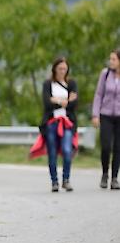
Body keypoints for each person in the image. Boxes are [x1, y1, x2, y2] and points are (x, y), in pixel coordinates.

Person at [40, 57, 78, 192]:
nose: (62, 71)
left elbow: (74, 104)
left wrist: (57, 100)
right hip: (51, 122)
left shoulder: (71, 83)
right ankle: (54, 181)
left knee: (67, 150)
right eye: (60, 68)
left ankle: (66, 179)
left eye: (64, 69)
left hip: (67, 122)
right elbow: (46, 103)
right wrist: (65, 101)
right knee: (52, 152)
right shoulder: (48, 84)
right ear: (55, 69)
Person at [91, 49, 120, 190]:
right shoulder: (105, 74)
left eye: (114, 59)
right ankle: (104, 174)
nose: (111, 62)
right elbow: (98, 94)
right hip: (106, 114)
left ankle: (115, 178)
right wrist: (95, 114)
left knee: (118, 148)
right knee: (106, 146)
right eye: (111, 59)